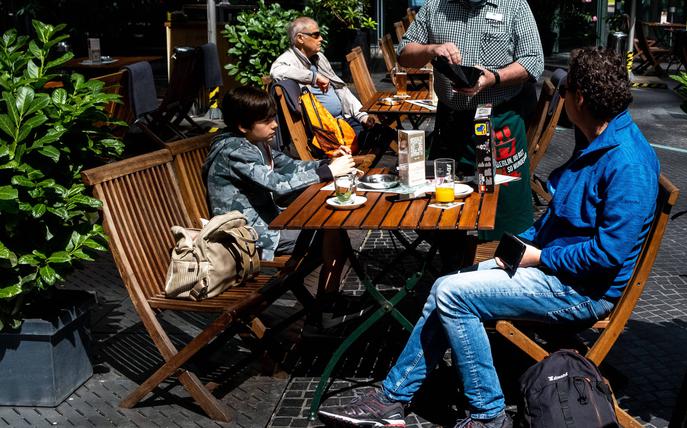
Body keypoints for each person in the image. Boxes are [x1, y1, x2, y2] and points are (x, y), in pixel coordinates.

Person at [319, 48, 660, 428]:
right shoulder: (597, 138)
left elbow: (608, 254)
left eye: (564, 92)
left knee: (453, 293)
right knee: (449, 285)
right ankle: (392, 398)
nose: (561, 99)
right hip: (557, 270)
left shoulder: (627, 161)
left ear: (579, 98)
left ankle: (486, 414)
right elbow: (562, 222)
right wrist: (518, 249)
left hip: (580, 291)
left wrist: (538, 258)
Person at [396, 0, 543, 241]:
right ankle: (453, 264)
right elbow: (403, 54)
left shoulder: (514, 5)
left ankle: (506, 267)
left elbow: (534, 61)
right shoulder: (436, 6)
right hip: (451, 122)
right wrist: (431, 50)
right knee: (437, 205)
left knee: (505, 209)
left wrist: (493, 78)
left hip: (499, 120)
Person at [204, 85, 356, 261]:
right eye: (266, 121)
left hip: (269, 220)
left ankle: (328, 288)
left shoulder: (254, 142)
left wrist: (327, 162)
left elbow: (289, 165)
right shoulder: (235, 150)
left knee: (333, 227)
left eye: (273, 118)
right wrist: (328, 172)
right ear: (243, 126)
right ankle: (328, 289)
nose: (275, 125)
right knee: (331, 231)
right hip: (248, 233)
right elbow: (277, 185)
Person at [271, 16, 376, 135]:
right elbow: (276, 71)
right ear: (300, 38)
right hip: (326, 130)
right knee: (374, 138)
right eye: (316, 35)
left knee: (383, 133)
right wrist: (313, 77)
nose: (321, 38)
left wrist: (362, 116)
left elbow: (340, 89)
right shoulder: (288, 60)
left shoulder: (319, 58)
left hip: (343, 119)